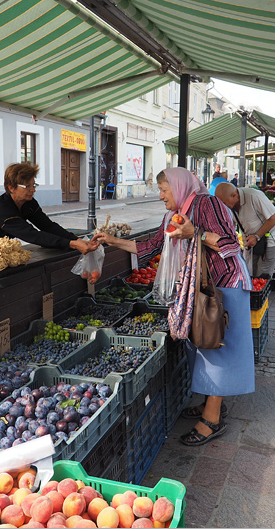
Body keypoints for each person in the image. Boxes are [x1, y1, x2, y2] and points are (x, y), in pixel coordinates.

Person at [93, 168, 254, 446]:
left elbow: (230, 245)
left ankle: (212, 420)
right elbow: (152, 246)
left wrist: (196, 233)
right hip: (199, 287)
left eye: (164, 191)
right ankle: (212, 404)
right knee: (203, 345)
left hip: (223, 285)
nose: (160, 196)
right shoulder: (174, 214)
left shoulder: (207, 204)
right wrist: (112, 241)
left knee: (216, 347)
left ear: (178, 188)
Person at [0, 162, 97, 254]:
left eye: (34, 185)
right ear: (11, 188)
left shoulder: (29, 203)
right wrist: (72, 244)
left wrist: (75, 239)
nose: (33, 190)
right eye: (28, 186)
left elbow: (47, 226)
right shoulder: (1, 209)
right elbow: (32, 235)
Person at [214, 182, 275, 278]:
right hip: (250, 239)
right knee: (249, 272)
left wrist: (257, 236)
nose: (223, 206)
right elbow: (232, 223)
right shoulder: (231, 205)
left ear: (234, 196)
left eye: (224, 203)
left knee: (263, 274)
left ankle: (259, 291)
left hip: (269, 237)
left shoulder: (254, 196)